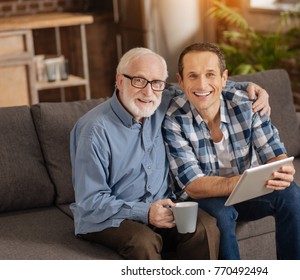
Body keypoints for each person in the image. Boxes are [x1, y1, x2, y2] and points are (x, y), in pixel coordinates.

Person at [69, 47, 271, 260]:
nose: (148, 92)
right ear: (120, 81)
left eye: (156, 83)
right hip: (110, 217)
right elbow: (90, 201)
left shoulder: (163, 100)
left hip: (164, 209)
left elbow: (201, 88)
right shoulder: (93, 130)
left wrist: (248, 88)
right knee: (143, 242)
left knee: (205, 227)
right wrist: (145, 212)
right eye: (138, 80)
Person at [162, 42, 300, 260]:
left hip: (243, 190)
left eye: (210, 74)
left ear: (224, 78)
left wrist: (284, 168)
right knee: (220, 214)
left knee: (291, 194)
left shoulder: (247, 104)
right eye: (193, 76)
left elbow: (274, 151)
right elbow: (194, 185)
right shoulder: (173, 119)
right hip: (204, 196)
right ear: (181, 81)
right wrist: (241, 182)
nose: (202, 84)